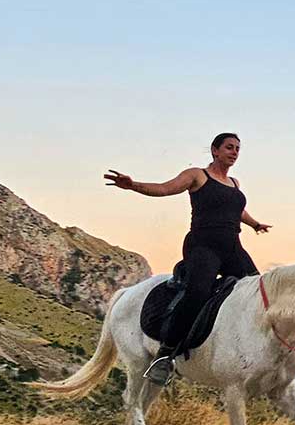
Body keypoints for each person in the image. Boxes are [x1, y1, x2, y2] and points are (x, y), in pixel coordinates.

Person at [103, 133, 271, 384]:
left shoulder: (234, 183)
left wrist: (254, 224)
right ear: (215, 151)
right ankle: (165, 355)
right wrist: (133, 185)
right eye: (229, 147)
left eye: (238, 148)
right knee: (197, 293)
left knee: (260, 292)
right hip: (203, 246)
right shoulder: (197, 175)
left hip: (232, 247)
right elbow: (164, 188)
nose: (234, 152)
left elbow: (237, 210)